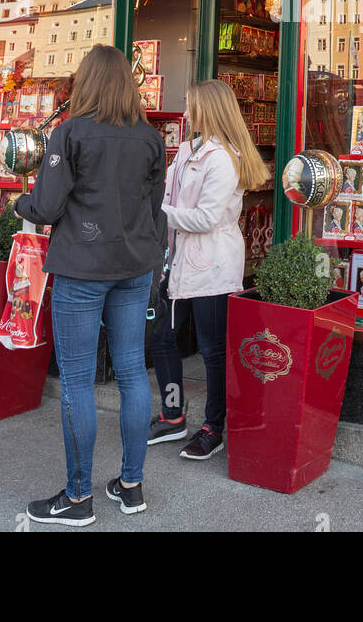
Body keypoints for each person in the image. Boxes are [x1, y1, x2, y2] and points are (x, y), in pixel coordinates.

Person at [19, 45, 166, 524]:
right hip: (134, 265)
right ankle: (130, 484)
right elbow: (154, 210)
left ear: (86, 82)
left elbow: (45, 207)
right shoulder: (149, 138)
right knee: (130, 373)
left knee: (79, 381)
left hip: (83, 267)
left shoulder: (69, 134)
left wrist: (19, 204)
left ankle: (78, 497)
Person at [147, 78, 269, 463]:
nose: (184, 109)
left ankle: (214, 427)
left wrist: (156, 212)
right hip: (178, 261)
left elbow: (206, 217)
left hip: (213, 265)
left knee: (213, 351)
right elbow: (167, 197)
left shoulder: (223, 158)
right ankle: (173, 415)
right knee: (161, 338)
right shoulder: (185, 150)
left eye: (189, 103)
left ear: (206, 108)